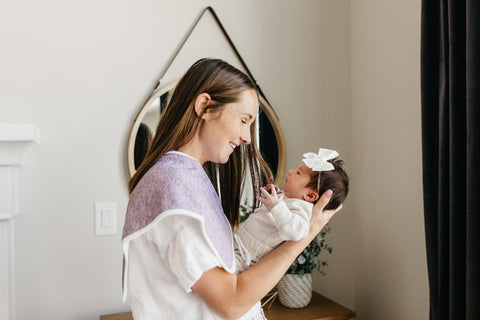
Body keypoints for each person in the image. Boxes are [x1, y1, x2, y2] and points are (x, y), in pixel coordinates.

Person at [121, 58, 342, 320]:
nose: (248, 138)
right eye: (244, 120)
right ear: (204, 106)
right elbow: (231, 303)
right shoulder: (173, 190)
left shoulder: (188, 179)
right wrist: (306, 235)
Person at [234, 148, 349, 273]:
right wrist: (273, 194)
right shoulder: (290, 198)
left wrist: (276, 207)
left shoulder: (302, 208)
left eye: (298, 173)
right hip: (239, 242)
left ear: (310, 196)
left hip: (247, 256)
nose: (290, 171)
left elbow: (297, 231)